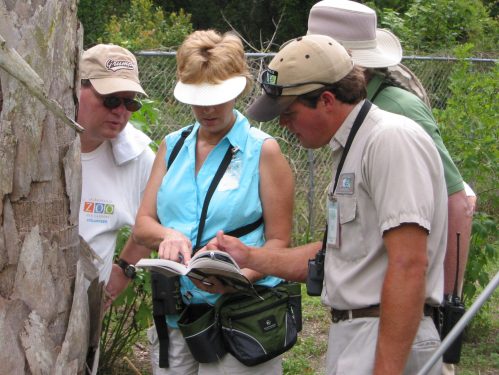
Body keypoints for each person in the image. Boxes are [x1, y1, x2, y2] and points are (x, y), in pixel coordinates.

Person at [208, 34, 448, 374]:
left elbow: (409, 264)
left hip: (384, 334)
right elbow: (337, 257)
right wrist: (248, 257)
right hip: (356, 334)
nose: (283, 126)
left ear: (327, 100)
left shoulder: (389, 140)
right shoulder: (350, 146)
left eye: (289, 113)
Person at [306, 3, 477, 372]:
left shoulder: (395, 112)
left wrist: (443, 303)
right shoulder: (354, 115)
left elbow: (456, 201)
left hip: (404, 319)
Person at [132, 30, 294, 375]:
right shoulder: (172, 145)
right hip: (177, 314)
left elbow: (279, 242)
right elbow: (144, 223)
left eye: (218, 96)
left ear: (238, 88)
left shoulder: (262, 151)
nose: (207, 108)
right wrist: (168, 236)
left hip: (239, 315)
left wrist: (237, 278)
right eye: (198, 96)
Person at [78, 44, 155, 302]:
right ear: (77, 88)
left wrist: (124, 269)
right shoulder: (34, 139)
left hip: (81, 314)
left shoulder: (138, 157)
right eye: (110, 99)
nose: (120, 111)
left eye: (129, 102)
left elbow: (154, 219)